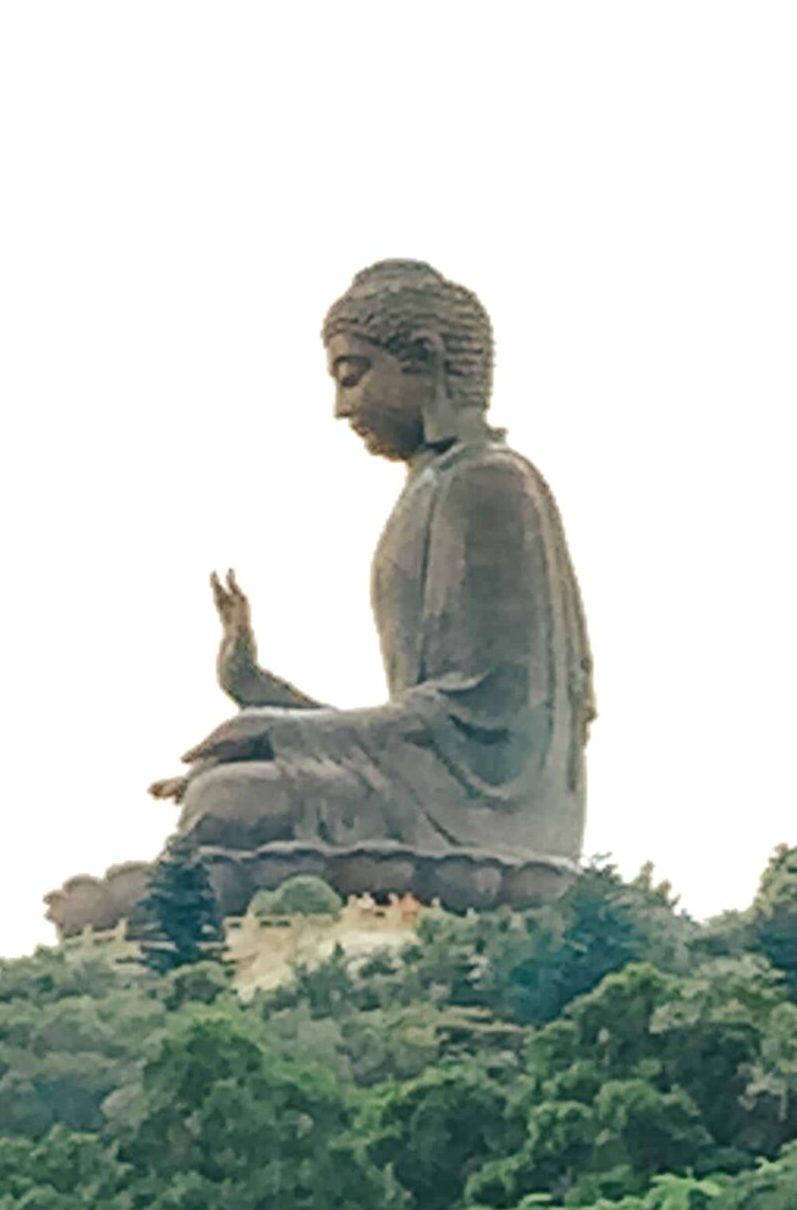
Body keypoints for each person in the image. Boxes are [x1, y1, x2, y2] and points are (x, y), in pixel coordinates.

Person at [149, 258, 595, 913]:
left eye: (352, 377)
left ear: (426, 357)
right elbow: (420, 721)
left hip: (486, 818)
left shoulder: (490, 483)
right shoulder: (427, 492)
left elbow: (485, 721)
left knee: (227, 801)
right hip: (422, 788)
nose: (341, 408)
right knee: (220, 792)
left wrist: (276, 727)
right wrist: (259, 689)